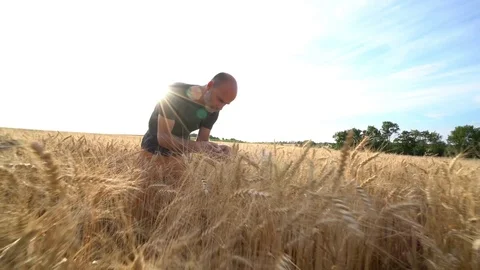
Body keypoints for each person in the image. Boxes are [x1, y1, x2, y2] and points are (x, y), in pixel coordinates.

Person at [140, 72, 237, 159]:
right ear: (210, 85)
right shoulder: (175, 93)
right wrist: (197, 147)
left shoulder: (213, 110)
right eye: (220, 100)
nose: (220, 107)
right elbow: (163, 137)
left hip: (181, 153)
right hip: (152, 148)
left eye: (225, 103)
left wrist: (217, 150)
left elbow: (202, 142)